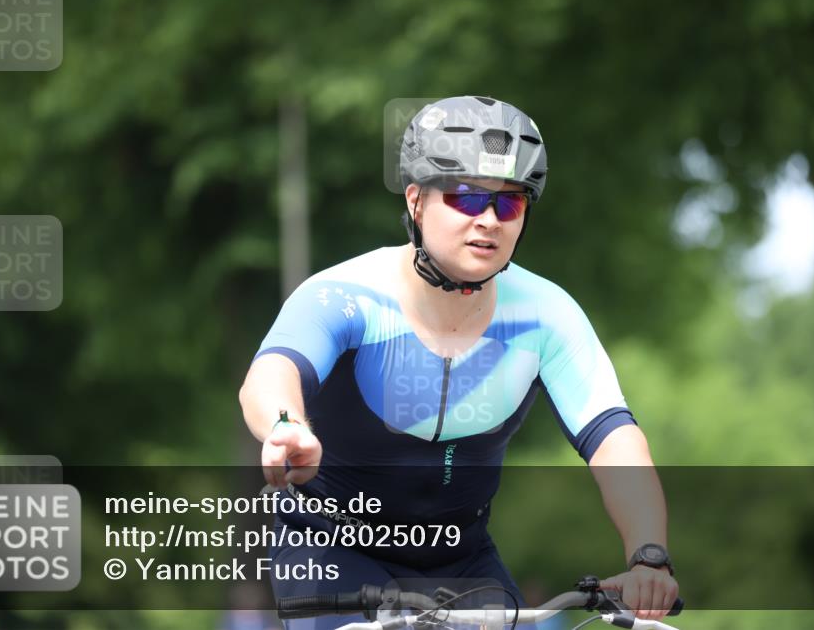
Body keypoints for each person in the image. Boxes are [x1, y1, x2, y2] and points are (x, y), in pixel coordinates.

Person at [239, 96, 678, 627]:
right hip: (333, 549)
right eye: (467, 198)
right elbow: (274, 370)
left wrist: (648, 554)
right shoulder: (347, 293)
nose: (489, 220)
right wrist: (285, 426)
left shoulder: (547, 315)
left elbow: (613, 437)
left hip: (460, 559)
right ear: (416, 200)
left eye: (509, 203)